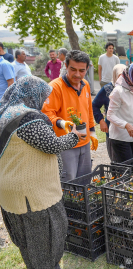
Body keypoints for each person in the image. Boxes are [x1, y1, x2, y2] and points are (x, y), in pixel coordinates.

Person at [0, 76, 82, 269]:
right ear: (32, 94)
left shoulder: (5, 112)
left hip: (11, 193)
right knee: (45, 242)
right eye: (44, 97)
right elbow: (52, 145)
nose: (45, 102)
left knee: (28, 243)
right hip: (32, 194)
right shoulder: (28, 117)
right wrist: (74, 137)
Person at [42, 50, 98, 182]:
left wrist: (92, 131)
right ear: (66, 66)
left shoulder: (86, 85)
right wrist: (61, 123)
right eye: (73, 69)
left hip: (84, 142)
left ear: (87, 69)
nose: (77, 74)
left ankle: (82, 203)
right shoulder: (55, 87)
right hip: (65, 145)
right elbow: (46, 113)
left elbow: (88, 110)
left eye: (82, 70)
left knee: (84, 180)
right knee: (68, 183)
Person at [93, 64, 133, 161]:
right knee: (125, 170)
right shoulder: (118, 91)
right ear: (130, 76)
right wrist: (126, 125)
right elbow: (110, 115)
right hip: (121, 138)